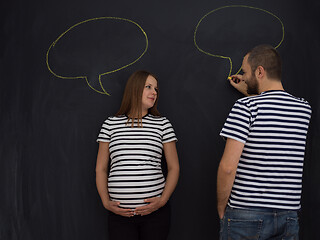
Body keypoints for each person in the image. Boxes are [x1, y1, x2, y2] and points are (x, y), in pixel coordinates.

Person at [217, 45, 312, 239]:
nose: (243, 77)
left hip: (245, 214)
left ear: (259, 71)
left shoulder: (246, 107)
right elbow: (274, 112)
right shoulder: (304, 109)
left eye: (245, 71)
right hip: (288, 216)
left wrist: (221, 208)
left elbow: (227, 167)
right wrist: (251, 93)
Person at [95, 70, 180, 240]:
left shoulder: (162, 124)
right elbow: (101, 168)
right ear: (134, 89)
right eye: (148, 87)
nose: (154, 92)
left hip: (155, 216)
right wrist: (105, 202)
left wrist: (162, 201)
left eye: (156, 89)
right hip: (120, 217)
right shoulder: (110, 124)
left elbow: (174, 167)